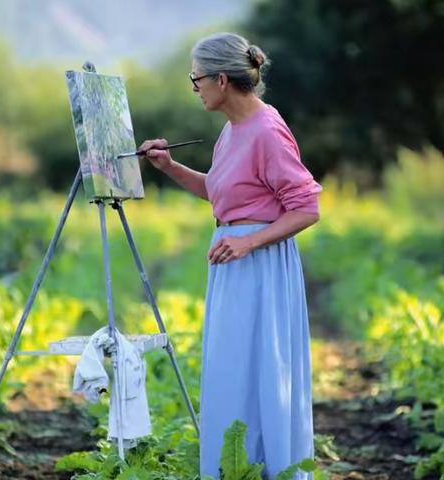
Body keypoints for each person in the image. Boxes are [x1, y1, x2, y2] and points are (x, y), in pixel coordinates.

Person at [138, 32, 322, 480]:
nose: (195, 86)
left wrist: (247, 243)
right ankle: (238, 468)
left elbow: (306, 208)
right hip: (235, 265)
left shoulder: (267, 130)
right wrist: (170, 167)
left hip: (259, 266)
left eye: (196, 78)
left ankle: (270, 469)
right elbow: (224, 196)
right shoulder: (233, 130)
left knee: (259, 371)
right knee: (233, 374)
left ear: (222, 79)